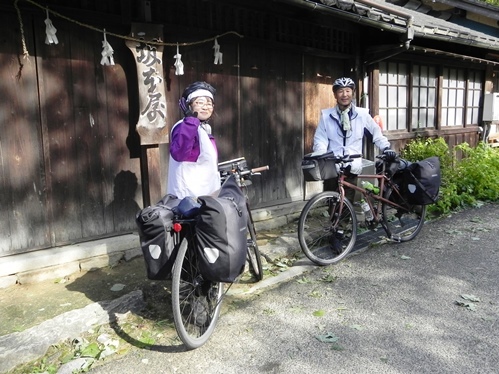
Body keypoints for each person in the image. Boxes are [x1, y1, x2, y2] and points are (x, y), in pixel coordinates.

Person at [313, 77, 396, 201]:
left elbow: (376, 132)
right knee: (331, 201)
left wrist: (386, 147)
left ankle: (347, 220)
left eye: (348, 91)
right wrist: (320, 154)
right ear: (335, 94)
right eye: (340, 91)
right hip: (332, 164)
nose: (344, 94)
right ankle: (335, 219)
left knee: (347, 201)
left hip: (351, 163)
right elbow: (320, 139)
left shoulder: (362, 114)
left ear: (353, 93)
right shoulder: (327, 116)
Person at [167, 81, 220, 198]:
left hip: (205, 192)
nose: (205, 107)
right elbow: (179, 154)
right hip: (189, 194)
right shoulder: (184, 126)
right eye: (200, 102)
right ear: (188, 106)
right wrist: (190, 120)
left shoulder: (203, 128)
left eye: (209, 103)